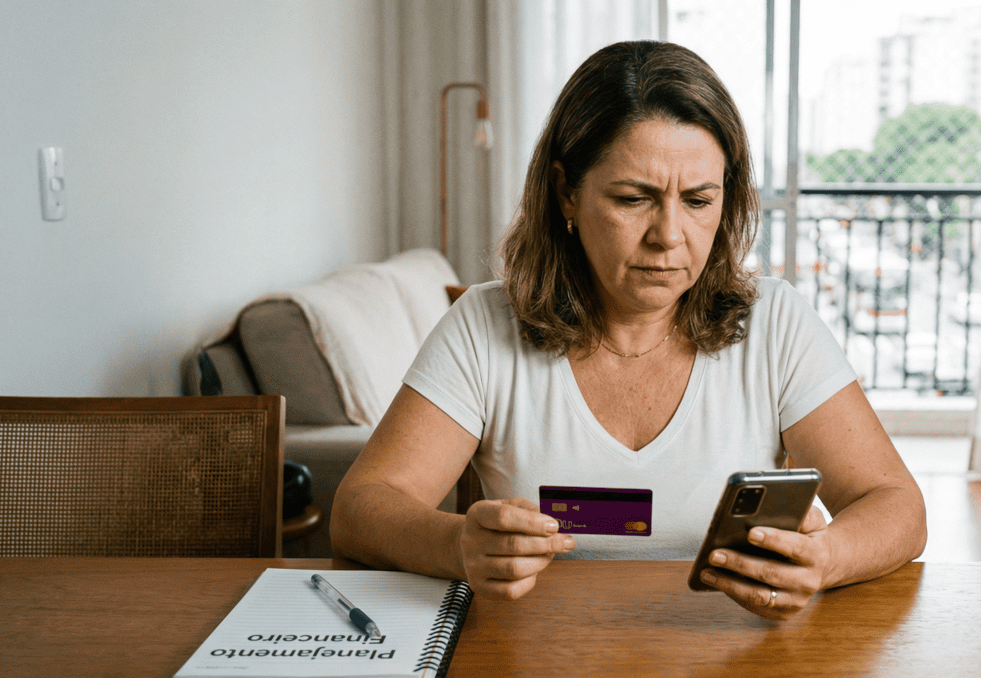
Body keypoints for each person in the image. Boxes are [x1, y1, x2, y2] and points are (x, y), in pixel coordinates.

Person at [330, 40, 925, 620]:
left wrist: (826, 558)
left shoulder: (775, 323)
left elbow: (898, 506)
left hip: (730, 665)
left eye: (697, 201)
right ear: (566, 192)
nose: (669, 235)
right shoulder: (484, 327)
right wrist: (456, 545)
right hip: (538, 666)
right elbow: (360, 510)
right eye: (634, 198)